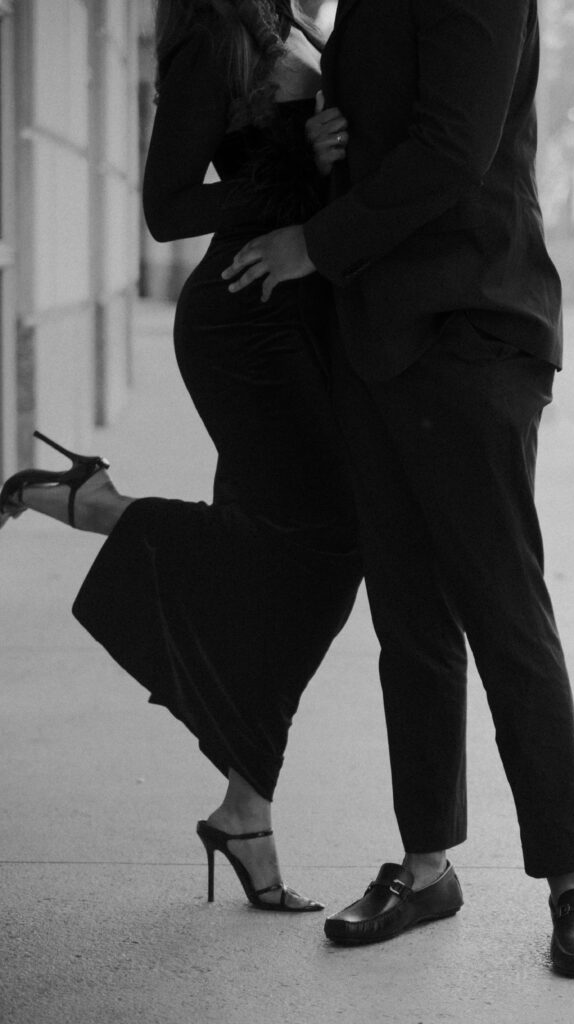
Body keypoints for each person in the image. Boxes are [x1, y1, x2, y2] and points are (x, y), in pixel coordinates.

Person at [220, 0, 574, 975]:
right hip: (375, 334)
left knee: (504, 610)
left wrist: (313, 241)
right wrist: (328, 137)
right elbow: (388, 130)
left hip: (471, 322)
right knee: (408, 617)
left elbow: (452, 151)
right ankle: (427, 864)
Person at [0, 0, 361, 914]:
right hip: (245, 322)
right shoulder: (215, 37)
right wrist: (299, 169)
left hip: (296, 322)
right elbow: (167, 209)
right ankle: (97, 504)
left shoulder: (290, 22)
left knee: (287, 556)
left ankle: (246, 810)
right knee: (328, 547)